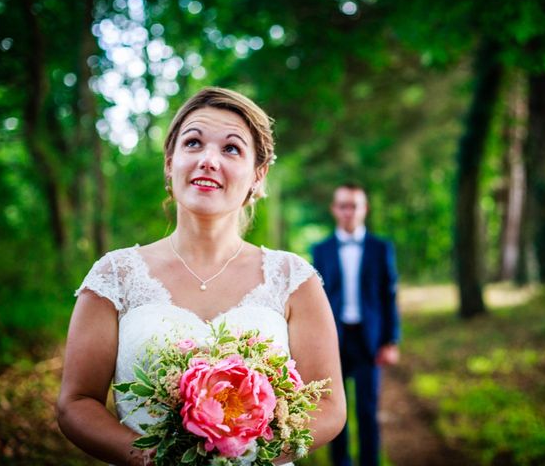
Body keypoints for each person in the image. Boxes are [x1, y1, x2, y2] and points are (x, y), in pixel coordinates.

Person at [57, 87, 346, 466]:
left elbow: (328, 405)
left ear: (258, 176)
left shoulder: (293, 279)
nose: (209, 160)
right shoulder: (115, 275)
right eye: (193, 143)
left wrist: (249, 454)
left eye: (231, 149)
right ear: (169, 163)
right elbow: (76, 403)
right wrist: (157, 458)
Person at [312, 184, 400, 466]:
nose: (349, 212)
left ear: (365, 209)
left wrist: (391, 340)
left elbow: (389, 295)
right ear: (334, 209)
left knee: (367, 410)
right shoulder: (321, 250)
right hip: (332, 341)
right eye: (343, 206)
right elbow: (316, 301)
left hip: (369, 339)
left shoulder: (380, 248)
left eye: (354, 205)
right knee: (336, 412)